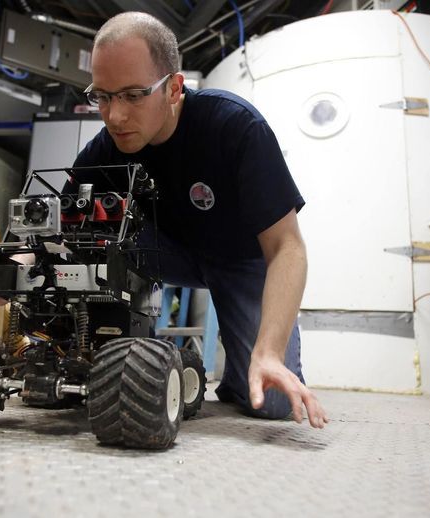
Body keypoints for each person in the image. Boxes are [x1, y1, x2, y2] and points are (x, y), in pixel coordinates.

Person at [68, 11, 328, 429]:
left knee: (272, 403)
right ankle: (114, 356)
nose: (115, 116)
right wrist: (20, 272)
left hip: (239, 261)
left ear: (173, 88)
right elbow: (61, 228)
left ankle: (243, 372)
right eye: (103, 96)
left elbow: (288, 248)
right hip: (164, 253)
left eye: (133, 95)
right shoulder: (105, 151)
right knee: (98, 224)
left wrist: (269, 353)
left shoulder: (235, 127)